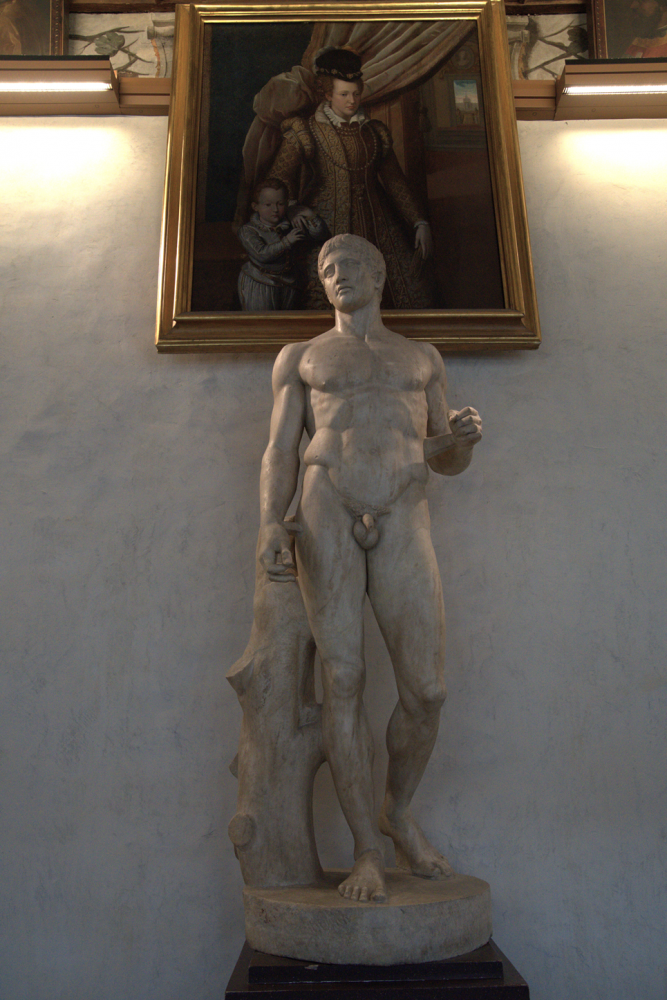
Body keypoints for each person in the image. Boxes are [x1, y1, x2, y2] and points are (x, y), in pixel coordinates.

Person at [258, 234, 482, 902]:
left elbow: (443, 457)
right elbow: (279, 448)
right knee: (344, 678)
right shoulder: (301, 357)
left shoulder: (421, 357)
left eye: (348, 265)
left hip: (403, 506)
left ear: (379, 275)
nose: (336, 275)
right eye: (326, 269)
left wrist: (460, 441)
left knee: (427, 690)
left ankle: (397, 811)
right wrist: (270, 520)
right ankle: (365, 851)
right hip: (326, 502)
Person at [267, 47, 435, 311]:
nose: (352, 100)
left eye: (356, 93)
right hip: (324, 224)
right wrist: (292, 206)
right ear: (327, 94)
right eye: (344, 94)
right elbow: (278, 179)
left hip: (377, 222)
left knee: (401, 290)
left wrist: (419, 222)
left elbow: (394, 182)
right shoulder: (306, 130)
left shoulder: (374, 132)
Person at [237, 178, 329, 311]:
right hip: (260, 282)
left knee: (286, 321)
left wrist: (307, 213)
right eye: (268, 205)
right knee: (263, 321)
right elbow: (262, 254)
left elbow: (320, 235)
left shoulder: (290, 223)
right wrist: (287, 242)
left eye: (280, 204)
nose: (275, 209)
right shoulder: (248, 230)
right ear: (255, 206)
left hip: (289, 283)